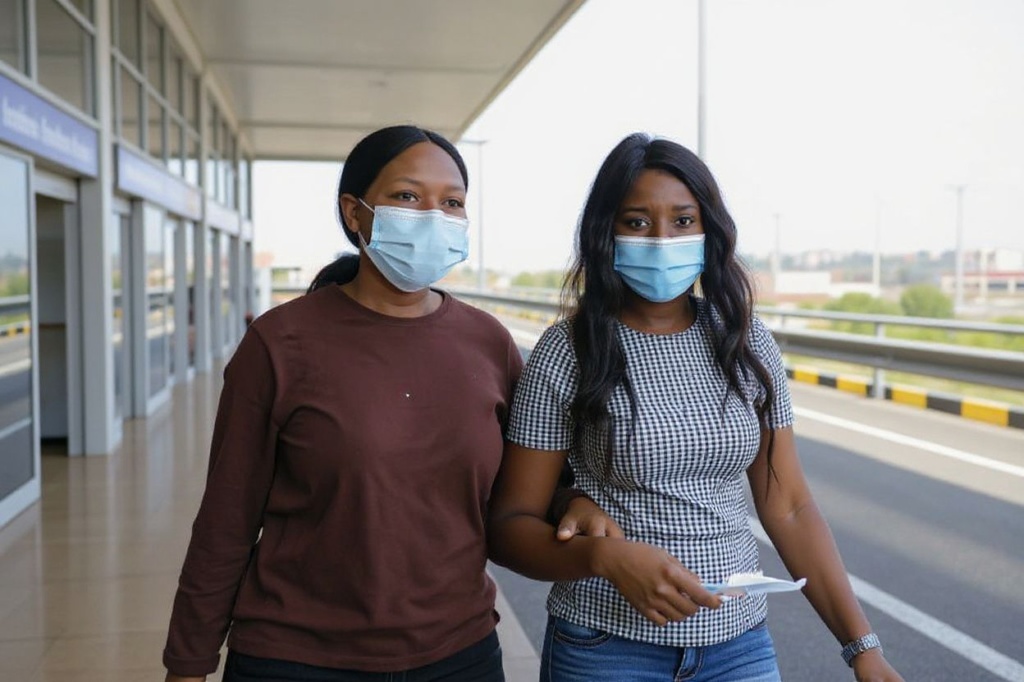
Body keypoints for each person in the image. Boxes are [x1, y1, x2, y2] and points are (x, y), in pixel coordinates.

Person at [162, 125, 617, 682]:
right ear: (355, 213)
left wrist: (574, 502)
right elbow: (226, 521)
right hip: (296, 658)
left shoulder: (488, 344)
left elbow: (530, 485)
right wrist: (188, 663)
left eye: (452, 203)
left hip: (460, 653)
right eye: (407, 196)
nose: (433, 216)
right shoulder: (279, 344)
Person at [487, 133, 905, 682]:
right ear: (604, 233)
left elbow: (791, 506)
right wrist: (603, 559)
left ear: (709, 232)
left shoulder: (745, 340)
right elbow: (509, 526)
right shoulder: (569, 350)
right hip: (606, 649)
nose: (661, 240)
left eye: (682, 221)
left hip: (739, 648)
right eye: (636, 222)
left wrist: (863, 648)